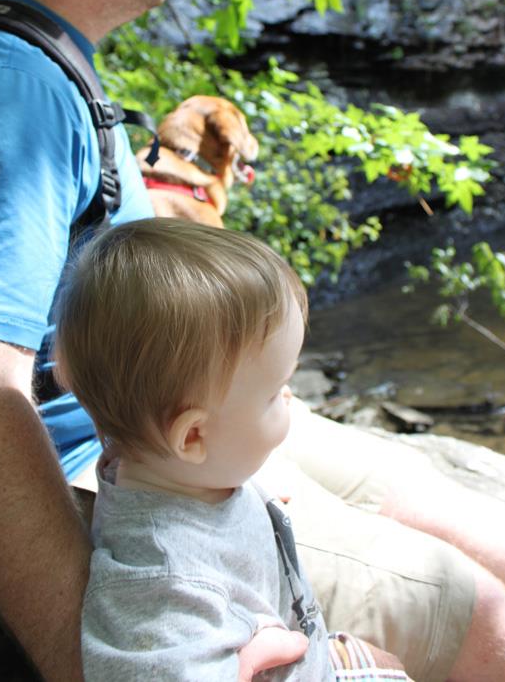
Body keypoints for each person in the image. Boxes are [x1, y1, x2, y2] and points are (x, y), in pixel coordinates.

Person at [0, 0, 505, 680]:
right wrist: (100, 655)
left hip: (193, 431)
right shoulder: (7, 86)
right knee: (502, 629)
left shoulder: (52, 65)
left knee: (467, 519)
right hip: (130, 477)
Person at [54, 217, 413, 681]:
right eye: (274, 392)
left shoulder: (181, 475)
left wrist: (254, 513)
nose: (288, 397)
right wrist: (249, 662)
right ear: (193, 437)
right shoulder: (162, 586)